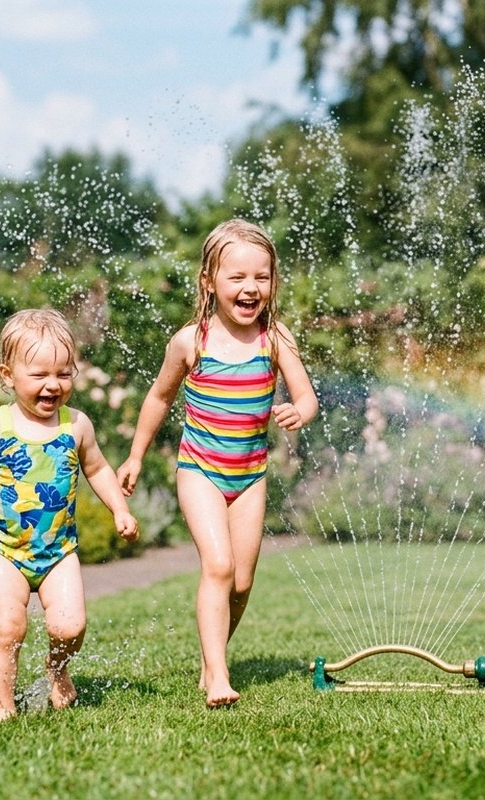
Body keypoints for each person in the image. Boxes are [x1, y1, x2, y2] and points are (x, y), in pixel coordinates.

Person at [118, 219, 318, 708]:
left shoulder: (275, 338)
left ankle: (213, 660)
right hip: (200, 470)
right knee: (220, 566)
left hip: (249, 476)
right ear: (209, 281)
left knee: (242, 582)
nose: (251, 288)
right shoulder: (191, 341)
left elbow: (307, 396)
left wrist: (299, 412)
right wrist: (136, 455)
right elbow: (159, 397)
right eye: (238, 277)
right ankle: (219, 676)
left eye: (262, 277)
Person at [0, 308, 138, 722]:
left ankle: (57, 669)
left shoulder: (76, 425)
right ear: (8, 375)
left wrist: (120, 509)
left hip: (59, 552)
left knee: (70, 628)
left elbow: (97, 469)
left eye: (63, 373)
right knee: (8, 628)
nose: (52, 384)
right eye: (39, 374)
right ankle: (2, 708)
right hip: (5, 552)